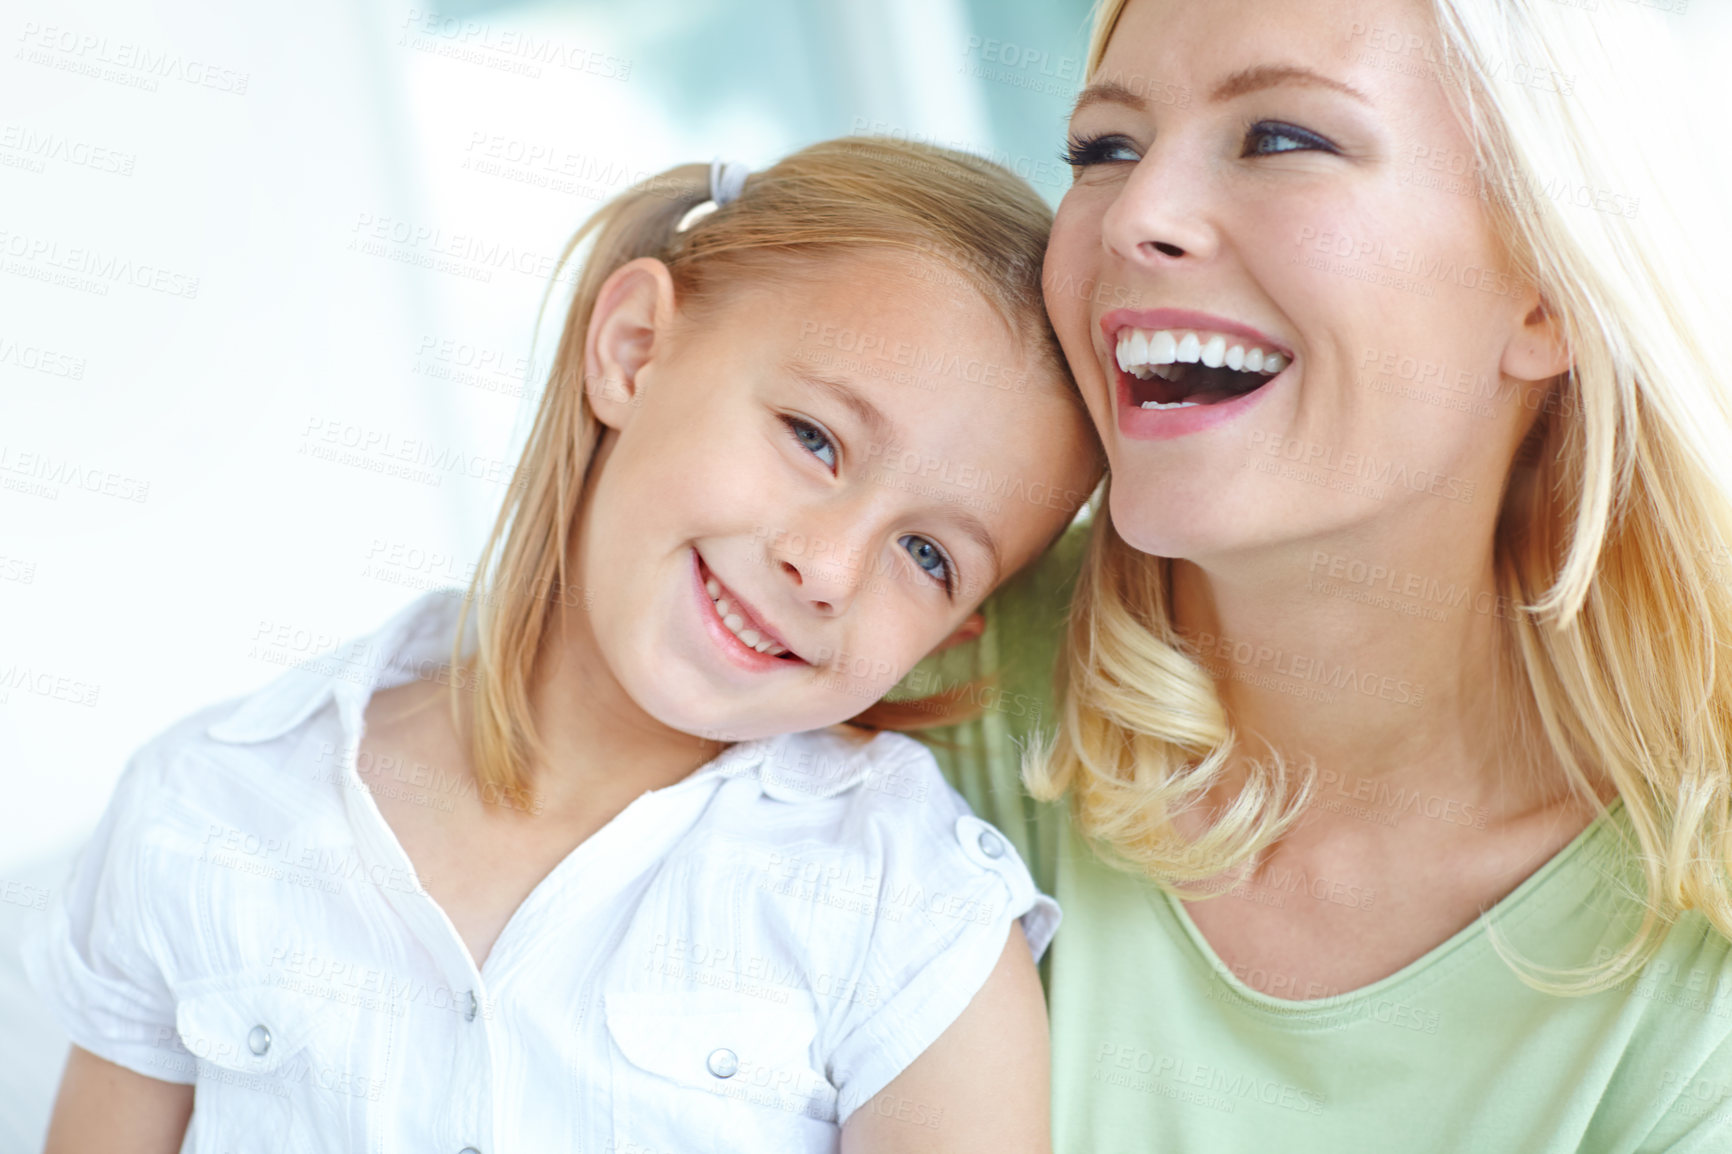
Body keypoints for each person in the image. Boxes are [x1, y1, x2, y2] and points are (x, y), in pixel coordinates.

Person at [23, 139, 1103, 1154]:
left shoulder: (912, 919)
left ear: (953, 629)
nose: (825, 567)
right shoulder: (205, 808)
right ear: (631, 350)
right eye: (814, 438)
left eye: (925, 553)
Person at [921, 0, 1732, 1149]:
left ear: (1545, 290)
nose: (1136, 215)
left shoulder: (1697, 944)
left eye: (1281, 138)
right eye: (1105, 148)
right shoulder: (913, 672)